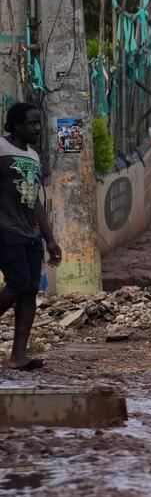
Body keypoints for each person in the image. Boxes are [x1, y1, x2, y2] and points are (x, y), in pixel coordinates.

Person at [0, 103, 62, 371]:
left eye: (38, 123)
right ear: (14, 125)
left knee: (29, 291)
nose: (37, 128)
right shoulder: (1, 148)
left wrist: (50, 239)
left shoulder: (34, 157)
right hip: (6, 229)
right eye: (30, 124)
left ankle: (18, 356)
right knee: (19, 282)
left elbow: (33, 199)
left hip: (31, 234)